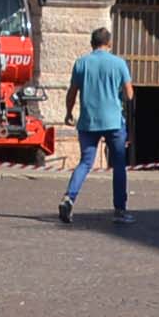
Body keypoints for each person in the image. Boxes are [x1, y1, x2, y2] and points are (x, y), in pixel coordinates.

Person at [56, 26, 132, 226]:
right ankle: (119, 210)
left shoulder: (81, 63)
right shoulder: (119, 63)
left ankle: (69, 197)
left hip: (88, 120)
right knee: (119, 166)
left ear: (92, 43)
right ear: (110, 43)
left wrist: (68, 112)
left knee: (85, 162)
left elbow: (72, 92)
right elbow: (129, 94)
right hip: (113, 121)